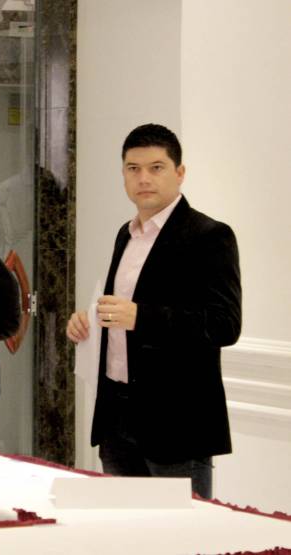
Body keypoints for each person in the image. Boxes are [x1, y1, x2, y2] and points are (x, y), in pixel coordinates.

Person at [66, 123, 241, 499]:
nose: (143, 178)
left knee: (181, 539)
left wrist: (140, 318)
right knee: (126, 536)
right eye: (133, 168)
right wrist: (87, 322)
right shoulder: (124, 234)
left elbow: (225, 325)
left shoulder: (209, 236)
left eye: (156, 167)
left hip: (176, 423)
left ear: (180, 173)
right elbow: (119, 309)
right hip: (116, 417)